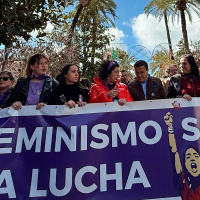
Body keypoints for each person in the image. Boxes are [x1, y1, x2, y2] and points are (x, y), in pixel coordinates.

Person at [164, 112, 200, 200]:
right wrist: (170, 128)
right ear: (185, 164)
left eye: (195, 156)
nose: (192, 159)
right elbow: (174, 152)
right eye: (188, 157)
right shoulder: (183, 181)